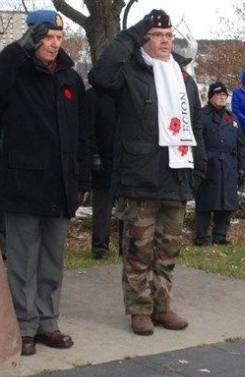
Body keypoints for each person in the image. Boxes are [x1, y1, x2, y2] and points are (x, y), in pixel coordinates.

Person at [89, 9, 206, 336]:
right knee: (139, 250)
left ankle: (162, 306)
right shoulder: (128, 73)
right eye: (157, 35)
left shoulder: (183, 78)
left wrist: (199, 167)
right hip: (138, 178)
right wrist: (131, 33)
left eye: (169, 36)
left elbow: (195, 124)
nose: (166, 41)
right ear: (143, 39)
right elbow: (99, 75)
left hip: (176, 175)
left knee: (168, 250)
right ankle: (139, 310)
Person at [0, 10, 90, 355]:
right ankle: (24, 326)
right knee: (23, 260)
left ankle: (47, 323)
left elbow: (83, 133)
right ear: (32, 37)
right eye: (46, 37)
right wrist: (16, 51)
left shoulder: (69, 77)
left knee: (52, 259)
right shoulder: (14, 72)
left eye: (57, 37)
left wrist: (82, 176)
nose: (53, 44)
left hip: (60, 185)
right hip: (22, 183)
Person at [195, 82, 245, 246]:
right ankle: (202, 237)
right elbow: (197, 141)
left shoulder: (232, 118)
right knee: (205, 202)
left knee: (226, 203)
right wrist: (201, 162)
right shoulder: (201, 115)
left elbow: (241, 144)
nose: (222, 97)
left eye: (224, 95)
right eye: (218, 95)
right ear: (211, 96)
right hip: (208, 165)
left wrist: (241, 166)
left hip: (229, 167)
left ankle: (220, 234)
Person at [86, 87, 117, 260]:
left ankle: (124, 246)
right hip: (103, 158)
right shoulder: (94, 95)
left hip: (122, 158)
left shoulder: (124, 91)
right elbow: (89, 127)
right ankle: (100, 245)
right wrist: (94, 154)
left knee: (125, 207)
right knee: (102, 206)